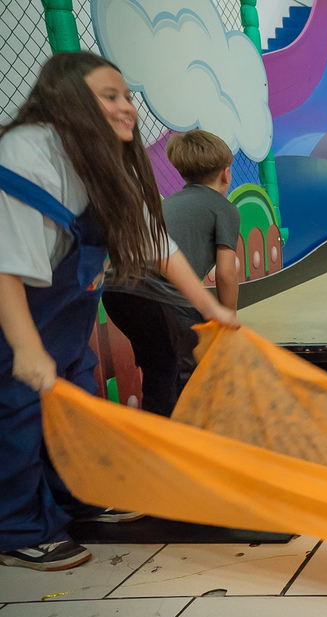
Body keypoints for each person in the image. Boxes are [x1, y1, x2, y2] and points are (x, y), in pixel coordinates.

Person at [0, 53, 238, 571]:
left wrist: (207, 305)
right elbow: (6, 267)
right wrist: (24, 347)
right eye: (110, 96)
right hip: (13, 318)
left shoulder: (101, 161)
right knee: (15, 418)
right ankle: (17, 529)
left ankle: (81, 497)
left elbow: (155, 241)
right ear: (68, 104)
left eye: (126, 95)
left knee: (81, 411)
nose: (127, 106)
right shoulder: (26, 155)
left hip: (63, 324)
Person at [102, 130, 241, 417]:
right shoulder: (224, 209)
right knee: (184, 371)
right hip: (156, 293)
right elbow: (226, 272)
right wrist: (227, 320)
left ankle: (159, 437)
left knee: (160, 367)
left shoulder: (165, 205)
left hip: (116, 291)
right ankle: (182, 440)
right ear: (226, 174)